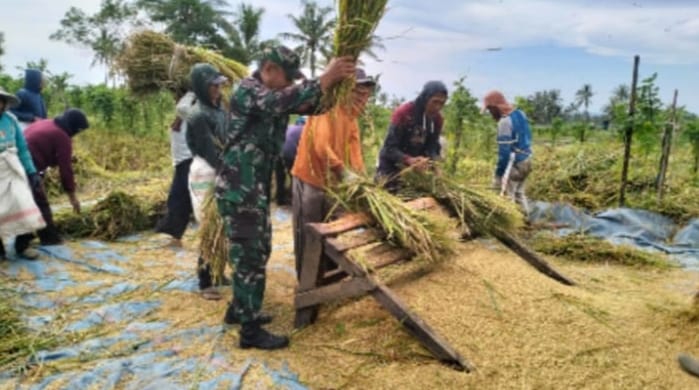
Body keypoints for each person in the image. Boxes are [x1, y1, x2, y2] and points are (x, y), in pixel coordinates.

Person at [217, 45, 355, 350]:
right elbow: (279, 100)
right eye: (287, 77)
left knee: (257, 250)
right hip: (240, 190)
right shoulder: (248, 91)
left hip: (253, 190)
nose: (291, 83)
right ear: (268, 69)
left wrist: (334, 86)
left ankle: (239, 310)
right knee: (250, 255)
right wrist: (323, 78)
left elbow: (311, 106)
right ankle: (249, 333)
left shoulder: (277, 95)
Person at [291, 68, 375, 278]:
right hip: (310, 178)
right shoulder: (328, 107)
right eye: (358, 93)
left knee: (332, 229)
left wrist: (361, 180)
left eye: (366, 94)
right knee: (309, 230)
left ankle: (329, 276)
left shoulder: (351, 116)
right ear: (346, 90)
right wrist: (342, 171)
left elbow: (354, 153)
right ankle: (307, 282)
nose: (363, 99)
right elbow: (320, 146)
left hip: (333, 184)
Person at [16, 109, 89, 251]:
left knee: (25, 202)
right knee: (40, 202)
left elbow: (45, 150)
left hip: (15, 163)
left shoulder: (45, 123)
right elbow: (65, 170)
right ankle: (48, 238)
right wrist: (72, 196)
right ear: (74, 127)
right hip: (27, 167)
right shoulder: (62, 136)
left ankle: (25, 238)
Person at [184, 64, 229, 298]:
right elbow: (209, 149)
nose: (217, 89)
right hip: (206, 170)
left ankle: (218, 271)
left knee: (224, 222)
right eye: (213, 85)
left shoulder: (219, 108)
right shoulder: (197, 115)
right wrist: (227, 169)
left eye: (219, 84)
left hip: (221, 166)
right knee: (210, 223)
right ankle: (205, 282)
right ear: (202, 86)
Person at [376, 81, 448, 192]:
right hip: (391, 169)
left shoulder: (437, 120)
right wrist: (409, 160)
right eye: (435, 102)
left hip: (413, 173)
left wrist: (434, 164)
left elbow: (432, 147)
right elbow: (389, 148)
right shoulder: (404, 113)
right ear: (425, 98)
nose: (437, 107)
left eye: (442, 103)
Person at [0, 88, 43, 260]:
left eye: (0, 101)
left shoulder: (11, 120)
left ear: (4, 103)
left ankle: (23, 245)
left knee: (22, 203)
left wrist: (32, 172)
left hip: (11, 167)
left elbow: (23, 148)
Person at [155, 89, 196, 248]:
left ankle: (173, 237)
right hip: (182, 164)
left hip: (189, 163)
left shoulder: (191, 113)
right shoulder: (181, 118)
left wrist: (191, 92)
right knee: (178, 200)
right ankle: (174, 237)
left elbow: (182, 108)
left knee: (179, 200)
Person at [482, 90, 532, 214]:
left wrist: (499, 173)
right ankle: (526, 221)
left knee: (504, 196)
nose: (490, 113)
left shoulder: (504, 122)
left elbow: (504, 153)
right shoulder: (520, 114)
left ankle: (510, 226)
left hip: (514, 163)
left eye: (490, 109)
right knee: (519, 193)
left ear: (495, 107)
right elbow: (527, 136)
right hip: (527, 159)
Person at [275, 116, 307, 206]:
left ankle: (280, 200)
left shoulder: (289, 126)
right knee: (295, 176)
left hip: (278, 151)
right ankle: (294, 200)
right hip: (290, 152)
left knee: (280, 177)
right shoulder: (305, 130)